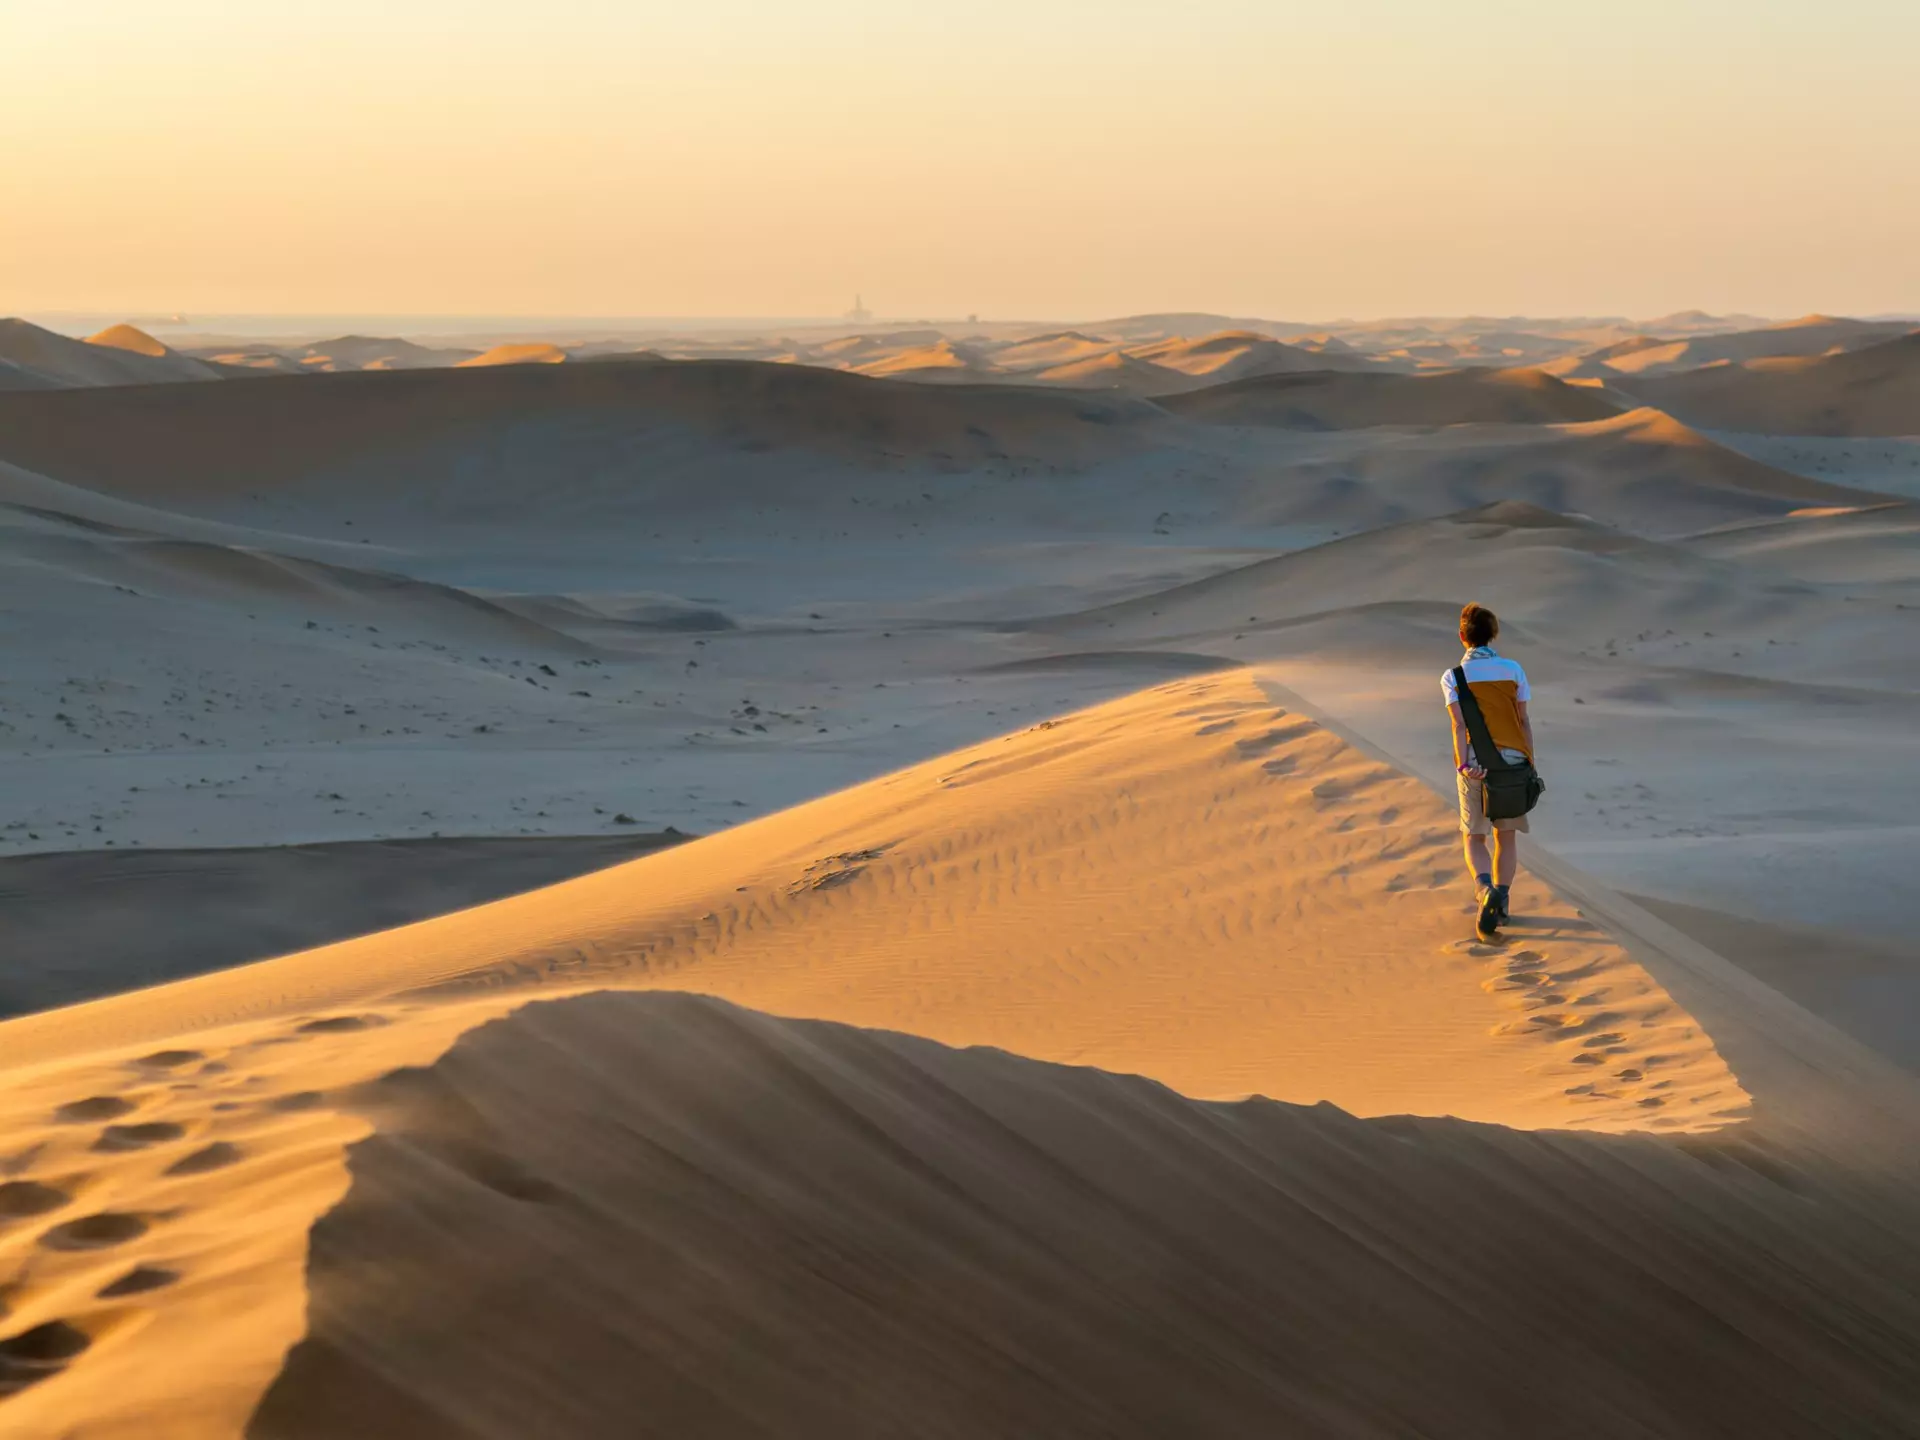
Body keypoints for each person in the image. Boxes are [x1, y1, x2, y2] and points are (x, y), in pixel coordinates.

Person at [1442, 603, 1536, 936]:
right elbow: (1522, 720)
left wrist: (1464, 764)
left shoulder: (1453, 677)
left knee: (1474, 836)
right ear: (1492, 635)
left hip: (1475, 765)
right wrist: (1529, 763)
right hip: (1513, 764)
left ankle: (1485, 892)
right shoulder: (1513, 670)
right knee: (1505, 836)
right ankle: (1504, 903)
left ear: (1461, 636)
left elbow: (1459, 725)